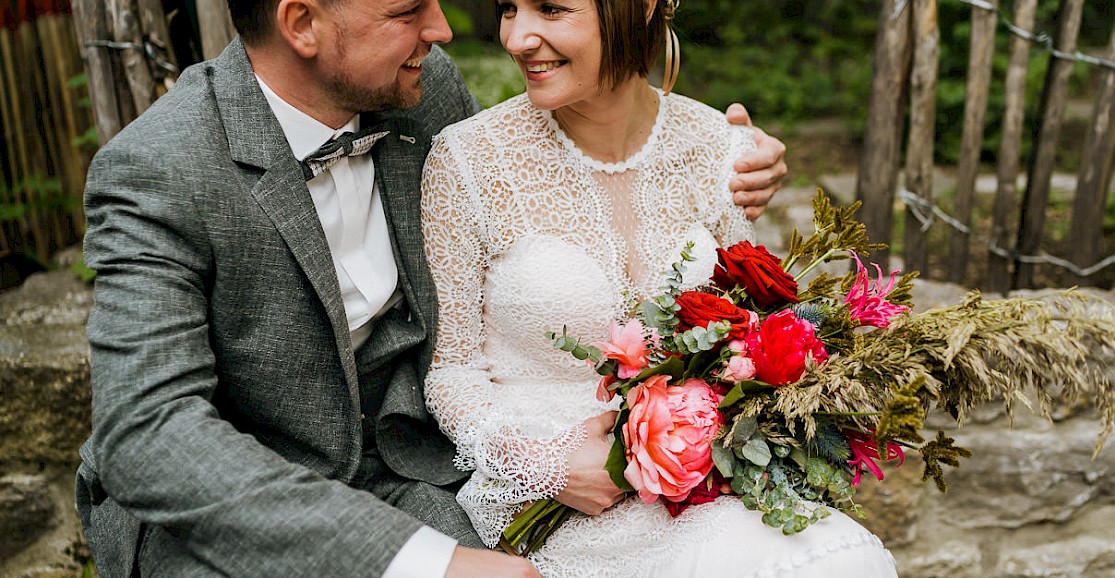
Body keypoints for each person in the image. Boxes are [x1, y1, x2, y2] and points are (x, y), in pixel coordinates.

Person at [75, 0, 786, 576]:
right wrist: (424, 563)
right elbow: (148, 435)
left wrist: (712, 156)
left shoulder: (423, 87)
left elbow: (537, 171)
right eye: (409, 9)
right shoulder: (158, 170)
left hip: (410, 468)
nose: (443, 29)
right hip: (233, 503)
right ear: (302, 25)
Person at [418, 0, 900, 576]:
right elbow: (451, 372)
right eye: (507, 9)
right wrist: (545, 462)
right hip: (545, 500)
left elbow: (742, 329)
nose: (518, 38)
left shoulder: (722, 149)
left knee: (833, 561)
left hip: (699, 485)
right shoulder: (468, 159)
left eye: (550, 8)